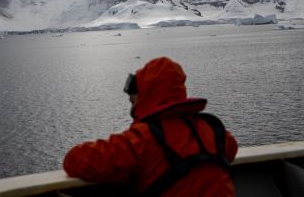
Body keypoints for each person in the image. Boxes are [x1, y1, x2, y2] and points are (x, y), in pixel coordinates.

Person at [63, 57, 238, 197]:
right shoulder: (214, 130)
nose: (132, 107)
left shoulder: (143, 138)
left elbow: (76, 160)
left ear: (146, 96)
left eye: (133, 101)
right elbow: (231, 149)